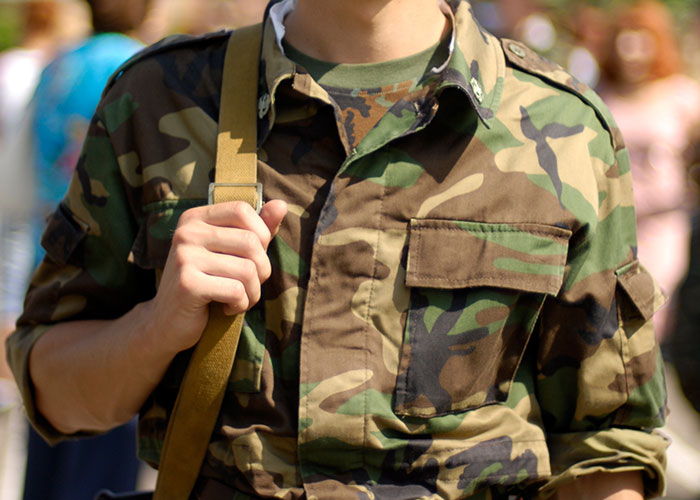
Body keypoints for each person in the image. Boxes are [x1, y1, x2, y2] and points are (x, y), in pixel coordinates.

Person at [7, 0, 668, 498]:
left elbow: (605, 445)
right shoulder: (157, 101)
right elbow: (53, 388)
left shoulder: (563, 133)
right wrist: (155, 328)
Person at [5, 1, 154, 499]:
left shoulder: (57, 65)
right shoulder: (145, 71)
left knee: (46, 451)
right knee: (97, 469)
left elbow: (19, 183)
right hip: (111, 288)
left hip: (46, 270)